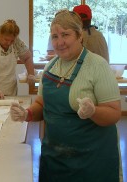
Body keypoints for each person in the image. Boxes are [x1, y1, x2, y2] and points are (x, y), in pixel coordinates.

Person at [10, 10, 122, 182]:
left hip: (91, 163)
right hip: (55, 161)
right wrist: (27, 114)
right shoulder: (50, 67)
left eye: (65, 35)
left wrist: (93, 112)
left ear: (79, 36)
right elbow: (42, 104)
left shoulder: (98, 66)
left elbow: (114, 113)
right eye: (54, 36)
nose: (59, 42)